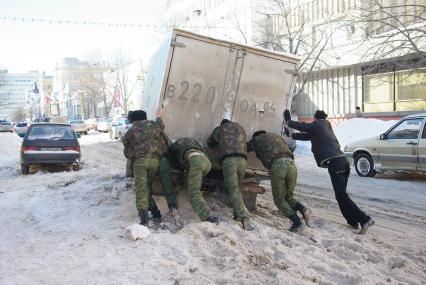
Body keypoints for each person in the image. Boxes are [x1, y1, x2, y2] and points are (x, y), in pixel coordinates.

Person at [284, 109, 374, 234]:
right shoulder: (325, 128)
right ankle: (353, 221)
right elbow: (306, 136)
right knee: (341, 195)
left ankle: (365, 219)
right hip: (343, 162)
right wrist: (291, 135)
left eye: (314, 121)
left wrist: (289, 122)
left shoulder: (319, 124)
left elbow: (304, 126)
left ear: (316, 119)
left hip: (335, 164)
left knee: (342, 195)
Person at [247, 131, 310, 233]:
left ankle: (297, 223)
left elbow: (245, 148)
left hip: (279, 166)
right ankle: (303, 208)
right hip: (291, 164)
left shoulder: (257, 139)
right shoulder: (277, 137)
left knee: (279, 200)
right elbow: (292, 146)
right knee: (288, 197)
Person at [122, 108, 168, 226]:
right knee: (146, 188)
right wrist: (159, 115)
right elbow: (160, 125)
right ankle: (156, 213)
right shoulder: (154, 125)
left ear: (133, 120)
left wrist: (133, 156)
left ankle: (144, 220)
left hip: (140, 163)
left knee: (141, 190)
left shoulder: (131, 131)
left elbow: (127, 152)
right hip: (155, 161)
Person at [159, 137, 220, 224]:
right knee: (191, 184)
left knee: (193, 193)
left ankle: (208, 216)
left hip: (195, 162)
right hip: (206, 163)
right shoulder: (194, 143)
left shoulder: (175, 146)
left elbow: (168, 157)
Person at [207, 119, 253, 231]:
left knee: (233, 189)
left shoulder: (219, 129)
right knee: (237, 188)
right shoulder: (240, 128)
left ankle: (243, 216)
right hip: (243, 161)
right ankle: (237, 214)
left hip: (230, 161)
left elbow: (210, 142)